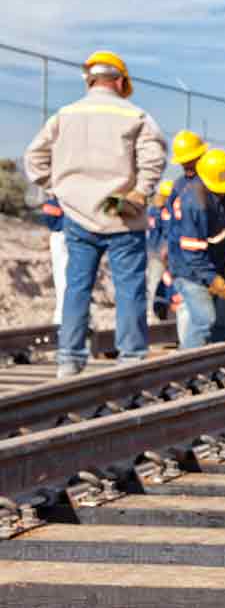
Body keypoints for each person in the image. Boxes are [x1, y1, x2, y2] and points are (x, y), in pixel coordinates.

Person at [23, 50, 166, 378]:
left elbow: (34, 159)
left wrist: (60, 188)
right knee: (129, 288)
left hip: (77, 213)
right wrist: (140, 191)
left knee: (76, 287)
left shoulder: (65, 115)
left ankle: (69, 359)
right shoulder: (136, 115)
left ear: (90, 80)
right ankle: (131, 359)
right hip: (121, 213)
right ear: (120, 81)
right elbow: (153, 159)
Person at [168, 148, 225, 347]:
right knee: (204, 320)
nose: (223, 192)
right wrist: (216, 283)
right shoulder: (194, 203)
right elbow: (192, 253)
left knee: (222, 323)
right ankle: (189, 364)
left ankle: (217, 361)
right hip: (190, 269)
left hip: (216, 262)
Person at [164, 130, 209, 345]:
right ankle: (190, 358)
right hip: (190, 262)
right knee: (203, 319)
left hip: (189, 260)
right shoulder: (193, 186)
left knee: (193, 315)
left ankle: (190, 354)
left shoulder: (182, 185)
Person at [146, 179, 173, 321]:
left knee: (154, 284)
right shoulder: (165, 211)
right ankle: (152, 314)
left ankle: (155, 312)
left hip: (152, 251)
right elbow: (168, 232)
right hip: (162, 253)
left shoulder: (152, 210)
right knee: (159, 283)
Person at [39, 194, 68, 325]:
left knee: (62, 279)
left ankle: (62, 320)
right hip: (71, 234)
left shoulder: (58, 194)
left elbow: (48, 214)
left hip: (62, 235)